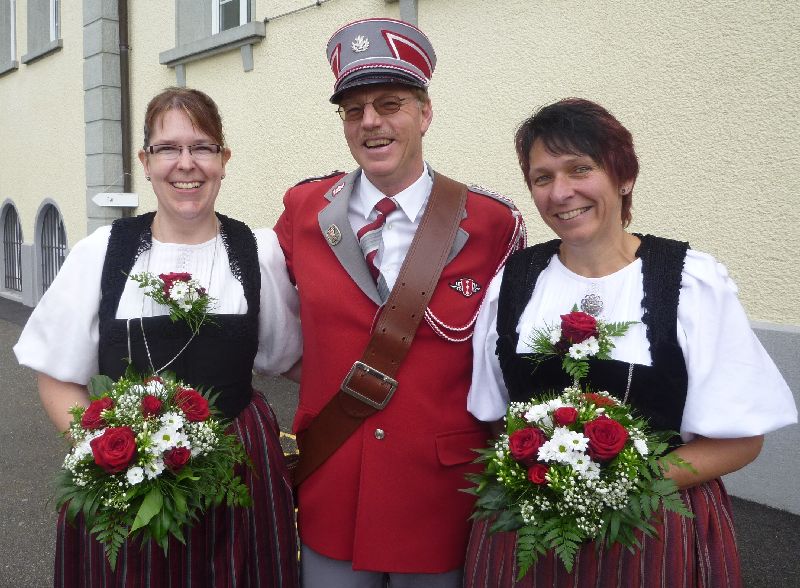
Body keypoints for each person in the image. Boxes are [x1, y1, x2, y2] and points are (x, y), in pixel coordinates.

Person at [463, 97, 798, 587]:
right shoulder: (512, 283)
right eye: (542, 177)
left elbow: (742, 441)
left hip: (655, 532)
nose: (561, 192)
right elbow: (495, 417)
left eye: (580, 169)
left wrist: (611, 485)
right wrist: (547, 481)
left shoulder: (689, 283)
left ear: (624, 176)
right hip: (532, 532)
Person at [14, 87, 301, 587]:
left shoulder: (259, 251)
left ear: (224, 160)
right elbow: (56, 375)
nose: (186, 164)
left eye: (202, 147)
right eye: (168, 148)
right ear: (145, 162)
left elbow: (288, 357)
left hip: (240, 473)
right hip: (126, 486)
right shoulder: (101, 253)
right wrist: (107, 457)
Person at [274, 18, 525, 588]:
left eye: (390, 104)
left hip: (439, 495)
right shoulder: (303, 210)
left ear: (425, 113)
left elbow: (502, 357)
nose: (371, 122)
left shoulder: (492, 224)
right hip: (334, 477)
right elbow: (274, 329)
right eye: (353, 110)